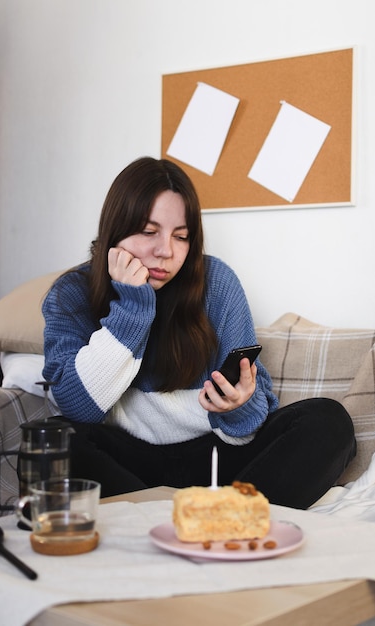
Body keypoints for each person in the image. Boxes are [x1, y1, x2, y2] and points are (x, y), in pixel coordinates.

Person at [42, 156, 356, 508]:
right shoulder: (71, 293)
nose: (166, 252)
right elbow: (78, 407)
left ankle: (229, 520)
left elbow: (250, 420)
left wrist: (236, 406)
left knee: (328, 422)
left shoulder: (217, 283)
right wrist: (132, 306)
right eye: (148, 232)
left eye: (181, 237)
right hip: (129, 467)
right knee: (54, 439)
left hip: (216, 460)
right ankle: (166, 524)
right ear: (115, 229)